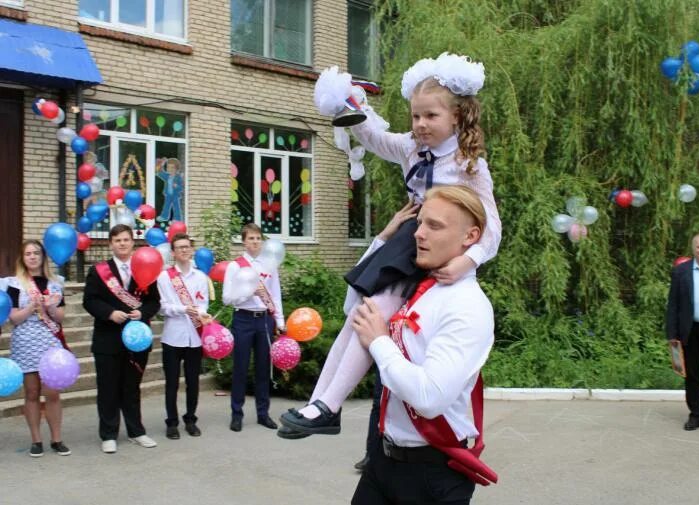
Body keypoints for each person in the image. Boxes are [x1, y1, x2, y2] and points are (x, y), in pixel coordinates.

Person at [279, 52, 501, 436]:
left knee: (373, 313)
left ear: (457, 117)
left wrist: (471, 261)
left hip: (433, 245)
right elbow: (376, 138)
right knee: (359, 316)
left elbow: (493, 225)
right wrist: (351, 106)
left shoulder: (470, 166)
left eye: (431, 116)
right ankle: (320, 402)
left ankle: (329, 407)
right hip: (409, 238)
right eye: (415, 116)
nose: (420, 124)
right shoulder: (412, 149)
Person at [348, 184, 495, 504]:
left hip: (433, 475)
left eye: (435, 226)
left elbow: (429, 398)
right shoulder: (417, 287)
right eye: (420, 223)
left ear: (470, 237)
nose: (418, 233)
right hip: (383, 463)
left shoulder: (468, 305)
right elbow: (353, 310)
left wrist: (380, 342)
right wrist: (382, 242)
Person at [83, 224, 161, 453]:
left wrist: (143, 313)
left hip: (137, 339)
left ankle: (137, 431)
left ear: (132, 242)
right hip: (108, 338)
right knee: (108, 388)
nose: (122, 244)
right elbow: (89, 300)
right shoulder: (99, 271)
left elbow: (154, 301)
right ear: (110, 244)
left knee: (132, 387)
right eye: (117, 240)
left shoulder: (144, 267)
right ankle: (108, 434)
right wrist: (109, 313)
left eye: (126, 239)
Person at [6, 240, 70, 457]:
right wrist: (33, 306)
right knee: (32, 392)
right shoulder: (15, 284)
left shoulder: (55, 283)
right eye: (28, 254)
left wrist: (50, 307)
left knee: (52, 392)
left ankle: (57, 439)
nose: (32, 257)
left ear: (43, 257)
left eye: (36, 253)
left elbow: (61, 318)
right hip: (25, 342)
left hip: (49, 341)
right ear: (22, 259)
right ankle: (36, 440)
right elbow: (14, 318)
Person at [223, 223, 286, 432]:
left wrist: (280, 321)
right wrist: (249, 292)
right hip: (243, 319)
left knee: (263, 368)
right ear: (244, 241)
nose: (255, 242)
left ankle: (263, 413)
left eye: (258, 238)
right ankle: (236, 414)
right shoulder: (235, 266)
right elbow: (227, 298)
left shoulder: (269, 264)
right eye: (251, 238)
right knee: (240, 367)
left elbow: (275, 295)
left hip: (264, 320)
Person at [156, 232, 211, 439]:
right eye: (180, 247)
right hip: (172, 336)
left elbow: (203, 302)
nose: (184, 250)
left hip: (195, 337)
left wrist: (203, 314)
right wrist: (182, 309)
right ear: (173, 252)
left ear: (192, 249)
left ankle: (190, 419)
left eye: (187, 246)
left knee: (193, 382)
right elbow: (162, 307)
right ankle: (171, 423)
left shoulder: (200, 277)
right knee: (171, 382)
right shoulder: (164, 277)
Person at [666, 232, 699, 431]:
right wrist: (672, 335)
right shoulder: (681, 271)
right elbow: (673, 305)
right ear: (693, 249)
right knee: (693, 375)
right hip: (691, 331)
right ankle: (696, 415)